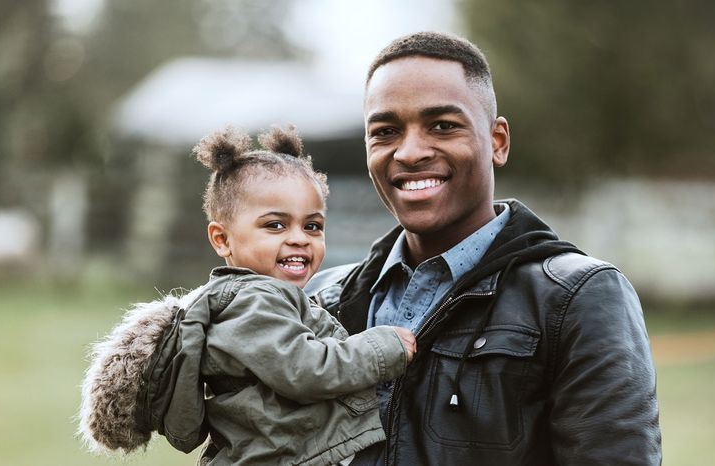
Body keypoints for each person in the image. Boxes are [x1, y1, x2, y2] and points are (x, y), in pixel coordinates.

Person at [304, 31, 662, 465]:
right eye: (386, 131)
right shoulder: (319, 300)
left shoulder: (577, 296)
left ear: (497, 141)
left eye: (442, 126)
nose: (411, 151)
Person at [79, 125, 417, 466]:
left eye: (312, 226)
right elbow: (304, 369)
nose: (300, 238)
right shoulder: (253, 303)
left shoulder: (259, 297)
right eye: (275, 225)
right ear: (222, 239)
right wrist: (382, 347)